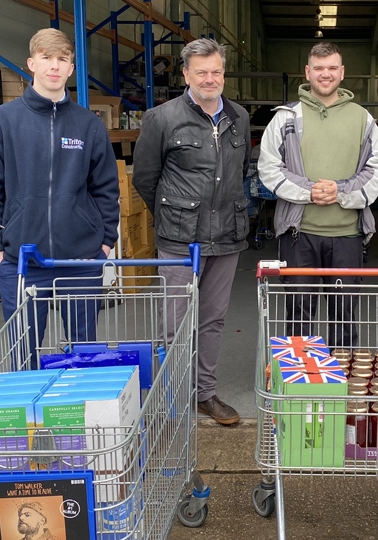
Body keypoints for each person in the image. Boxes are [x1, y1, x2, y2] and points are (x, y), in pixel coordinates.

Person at [0, 28, 119, 367]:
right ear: (31, 64)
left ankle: (80, 419)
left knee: (84, 354)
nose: (54, 66)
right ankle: (32, 420)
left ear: (71, 68)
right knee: (24, 356)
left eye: (63, 59)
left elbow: (106, 188)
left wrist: (104, 243)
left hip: (81, 260)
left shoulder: (89, 126)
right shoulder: (1, 122)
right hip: (20, 259)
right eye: (46, 58)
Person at [132, 39, 250, 425]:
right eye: (201, 71)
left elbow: (240, 171)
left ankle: (205, 394)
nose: (210, 78)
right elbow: (146, 179)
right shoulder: (161, 118)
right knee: (175, 322)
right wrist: (174, 215)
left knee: (213, 319)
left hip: (227, 237)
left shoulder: (239, 118)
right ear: (185, 74)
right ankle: (171, 398)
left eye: (216, 71)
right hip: (180, 240)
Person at [258, 42, 378, 347]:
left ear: (342, 73)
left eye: (331, 68)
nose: (325, 74)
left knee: (344, 313)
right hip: (298, 235)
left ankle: (341, 379)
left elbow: (377, 171)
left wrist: (340, 193)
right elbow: (268, 167)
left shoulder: (363, 119)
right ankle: (301, 383)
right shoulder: (285, 118)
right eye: (318, 68)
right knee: (299, 313)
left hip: (348, 236)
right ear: (307, 72)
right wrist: (310, 192)